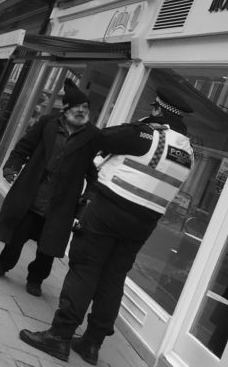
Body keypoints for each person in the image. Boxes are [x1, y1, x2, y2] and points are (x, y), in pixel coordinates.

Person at [20, 87, 194, 365]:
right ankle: (91, 344)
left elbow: (100, 137)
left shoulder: (144, 134)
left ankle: (59, 336)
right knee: (113, 278)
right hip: (144, 222)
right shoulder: (187, 152)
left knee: (85, 269)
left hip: (109, 209)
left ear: (158, 110)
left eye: (153, 109)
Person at [0, 79, 101, 297]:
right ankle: (2, 264)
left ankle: (36, 279)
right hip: (33, 194)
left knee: (48, 248)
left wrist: (88, 196)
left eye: (85, 107)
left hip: (61, 203)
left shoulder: (92, 136)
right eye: (77, 106)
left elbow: (93, 171)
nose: (81, 111)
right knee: (17, 236)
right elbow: (24, 147)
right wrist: (12, 167)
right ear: (66, 108)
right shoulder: (48, 123)